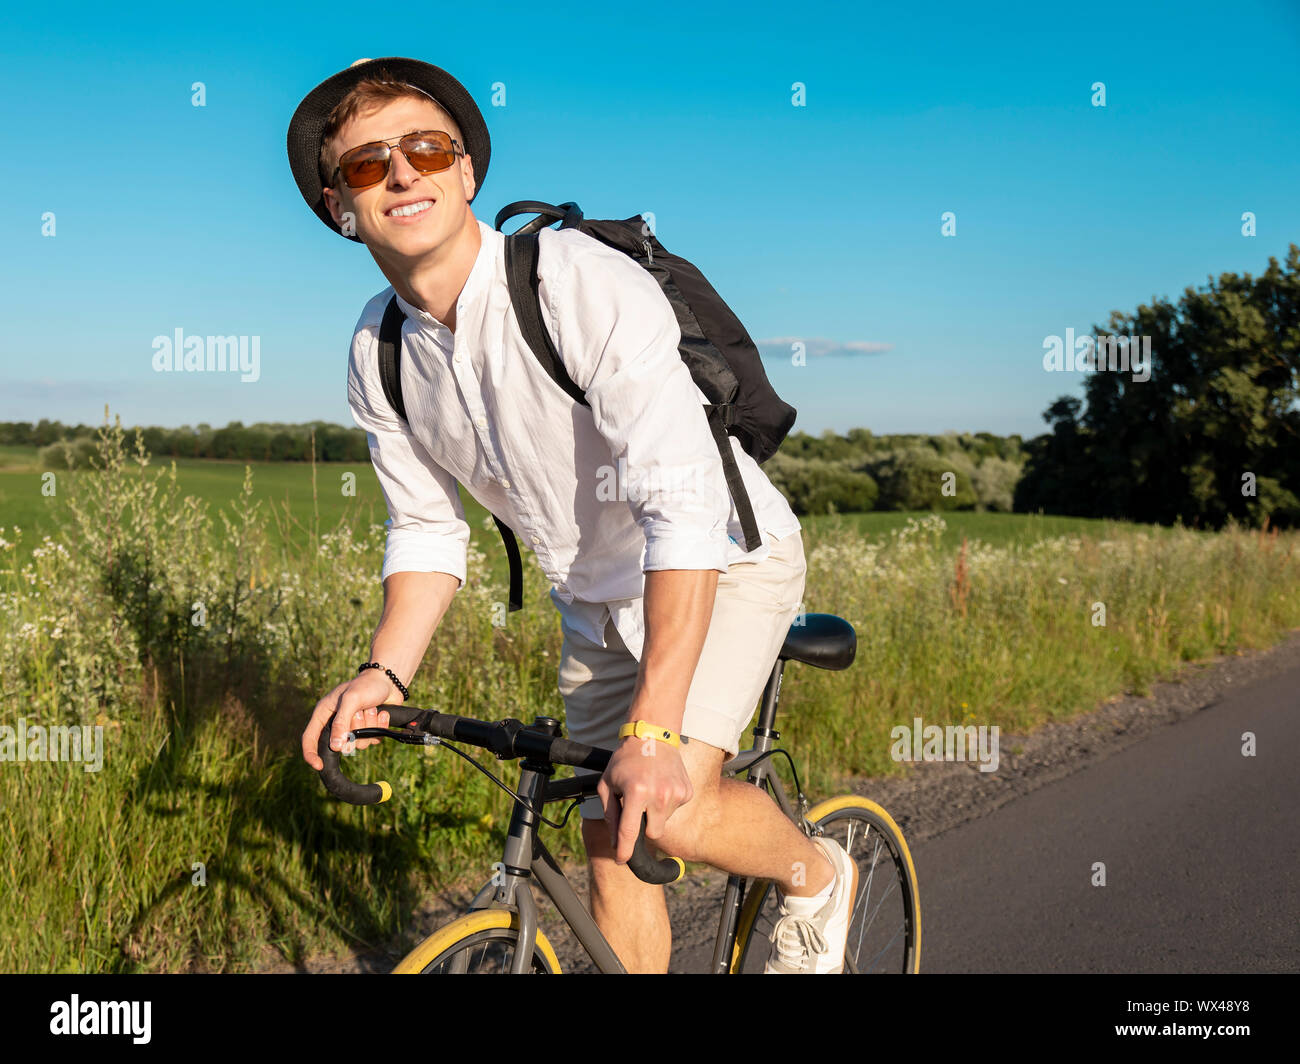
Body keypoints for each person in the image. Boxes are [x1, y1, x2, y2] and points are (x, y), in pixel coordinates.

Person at [289, 57, 856, 973]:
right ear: (337, 208)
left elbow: (683, 505)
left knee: (665, 805)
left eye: (426, 148)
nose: (401, 173)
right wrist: (381, 675)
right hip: (594, 600)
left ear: (466, 172)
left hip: (724, 560)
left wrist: (657, 727)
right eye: (366, 164)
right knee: (610, 844)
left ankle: (817, 874)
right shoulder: (378, 346)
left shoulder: (570, 281)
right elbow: (429, 532)